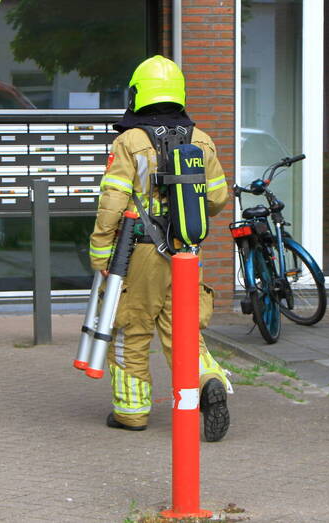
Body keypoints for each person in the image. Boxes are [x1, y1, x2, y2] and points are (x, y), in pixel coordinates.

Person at [88, 55, 233, 441]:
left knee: (131, 328)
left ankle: (131, 413)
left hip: (140, 253)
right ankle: (208, 381)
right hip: (186, 251)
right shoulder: (201, 139)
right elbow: (218, 200)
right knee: (183, 329)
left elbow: (113, 202)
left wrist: (101, 251)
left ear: (138, 94)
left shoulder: (130, 141)